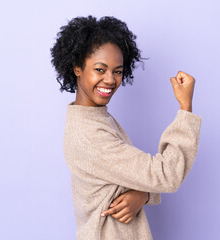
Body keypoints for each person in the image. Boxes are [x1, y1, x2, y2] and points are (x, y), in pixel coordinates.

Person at [50, 15, 202, 240]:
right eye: (100, 69)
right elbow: (165, 175)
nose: (110, 80)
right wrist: (185, 107)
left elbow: (125, 179)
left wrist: (142, 193)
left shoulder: (94, 118)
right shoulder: (89, 134)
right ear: (77, 68)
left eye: (117, 71)